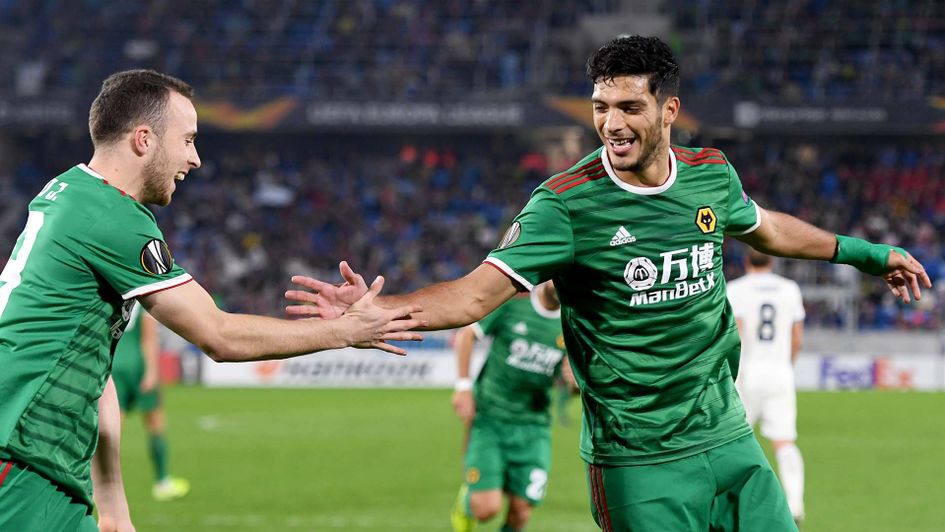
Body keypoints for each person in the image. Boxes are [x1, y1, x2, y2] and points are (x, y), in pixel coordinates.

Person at [285, 36, 930, 532]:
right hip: (637, 461)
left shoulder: (710, 174)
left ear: (669, 110)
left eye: (629, 107)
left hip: (728, 437)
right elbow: (474, 295)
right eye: (601, 107)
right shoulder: (565, 204)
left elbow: (767, 229)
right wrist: (374, 313)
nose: (611, 123)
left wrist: (869, 255)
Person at [0, 69, 424, 532]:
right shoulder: (111, 216)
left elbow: (93, 370)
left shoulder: (68, 192)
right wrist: (344, 331)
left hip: (37, 464)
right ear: (143, 140)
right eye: (187, 140)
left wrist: (114, 506)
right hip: (20, 461)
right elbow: (219, 336)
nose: (196, 158)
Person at [449, 281, 573, 532]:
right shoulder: (513, 304)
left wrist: (573, 382)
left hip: (533, 427)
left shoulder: (573, 324)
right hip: (491, 418)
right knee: (486, 509)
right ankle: (467, 501)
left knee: (521, 511)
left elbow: (570, 381)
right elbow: (467, 335)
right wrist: (463, 386)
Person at [727, 250, 806, 524]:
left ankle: (733, 506)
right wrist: (787, 366)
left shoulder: (736, 289)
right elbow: (797, 337)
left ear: (746, 261)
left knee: (733, 442)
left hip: (746, 372)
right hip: (779, 372)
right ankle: (795, 505)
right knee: (784, 442)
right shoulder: (789, 288)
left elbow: (735, 333)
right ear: (772, 260)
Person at [111, 303, 190, 502]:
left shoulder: (113, 298)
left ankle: (104, 486)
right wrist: (152, 373)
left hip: (113, 367)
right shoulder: (142, 300)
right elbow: (149, 340)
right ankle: (162, 481)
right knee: (155, 424)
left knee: (112, 431)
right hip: (138, 366)